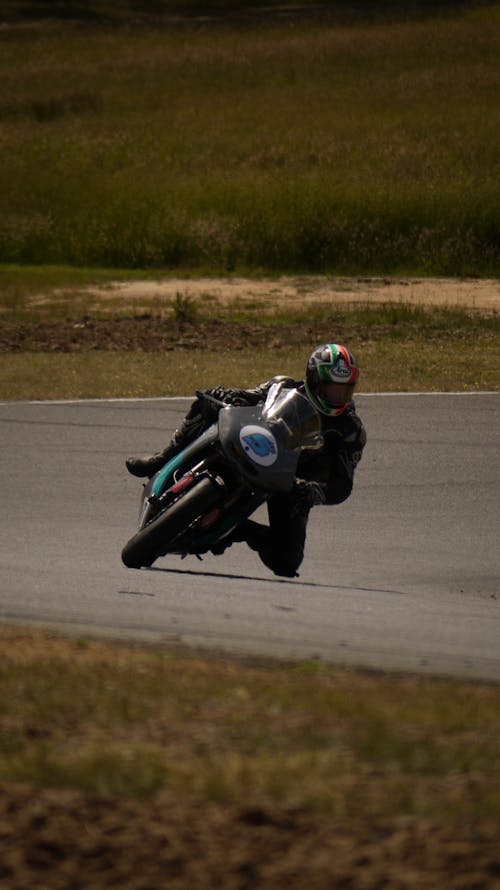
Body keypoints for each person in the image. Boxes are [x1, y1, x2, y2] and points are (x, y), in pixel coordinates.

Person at [126, 343, 366, 578]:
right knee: (209, 401)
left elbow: (343, 484)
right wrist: (229, 395)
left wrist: (312, 491)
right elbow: (248, 395)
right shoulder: (281, 386)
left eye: (344, 390)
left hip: (289, 482)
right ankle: (163, 458)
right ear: (313, 379)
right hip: (252, 441)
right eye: (331, 388)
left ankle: (235, 530)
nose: (338, 396)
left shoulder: (350, 430)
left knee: (287, 561)